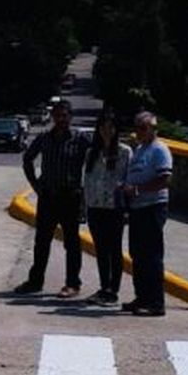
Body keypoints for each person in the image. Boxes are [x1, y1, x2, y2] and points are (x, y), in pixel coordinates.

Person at [16, 99, 91, 298]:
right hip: (48, 197)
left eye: (65, 116)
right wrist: (35, 184)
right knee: (42, 241)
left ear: (70, 117)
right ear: (53, 117)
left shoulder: (80, 139)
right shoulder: (44, 138)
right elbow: (27, 159)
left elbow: (95, 159)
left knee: (72, 243)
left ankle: (72, 284)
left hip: (71, 198)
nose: (61, 119)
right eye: (58, 116)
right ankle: (35, 281)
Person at [120, 111, 173, 316]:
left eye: (144, 128)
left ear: (153, 129)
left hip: (153, 206)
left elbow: (165, 179)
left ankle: (156, 302)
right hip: (137, 208)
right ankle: (142, 297)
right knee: (137, 255)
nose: (139, 131)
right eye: (137, 127)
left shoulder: (159, 150)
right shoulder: (140, 149)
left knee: (151, 255)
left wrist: (138, 190)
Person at [82, 110, 132, 306]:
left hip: (115, 207)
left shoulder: (125, 152)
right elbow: (87, 180)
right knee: (101, 250)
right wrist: (84, 205)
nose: (107, 131)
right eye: (103, 127)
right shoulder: (91, 153)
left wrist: (128, 208)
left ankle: (113, 290)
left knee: (114, 249)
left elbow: (129, 179)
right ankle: (104, 287)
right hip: (95, 207)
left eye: (111, 127)